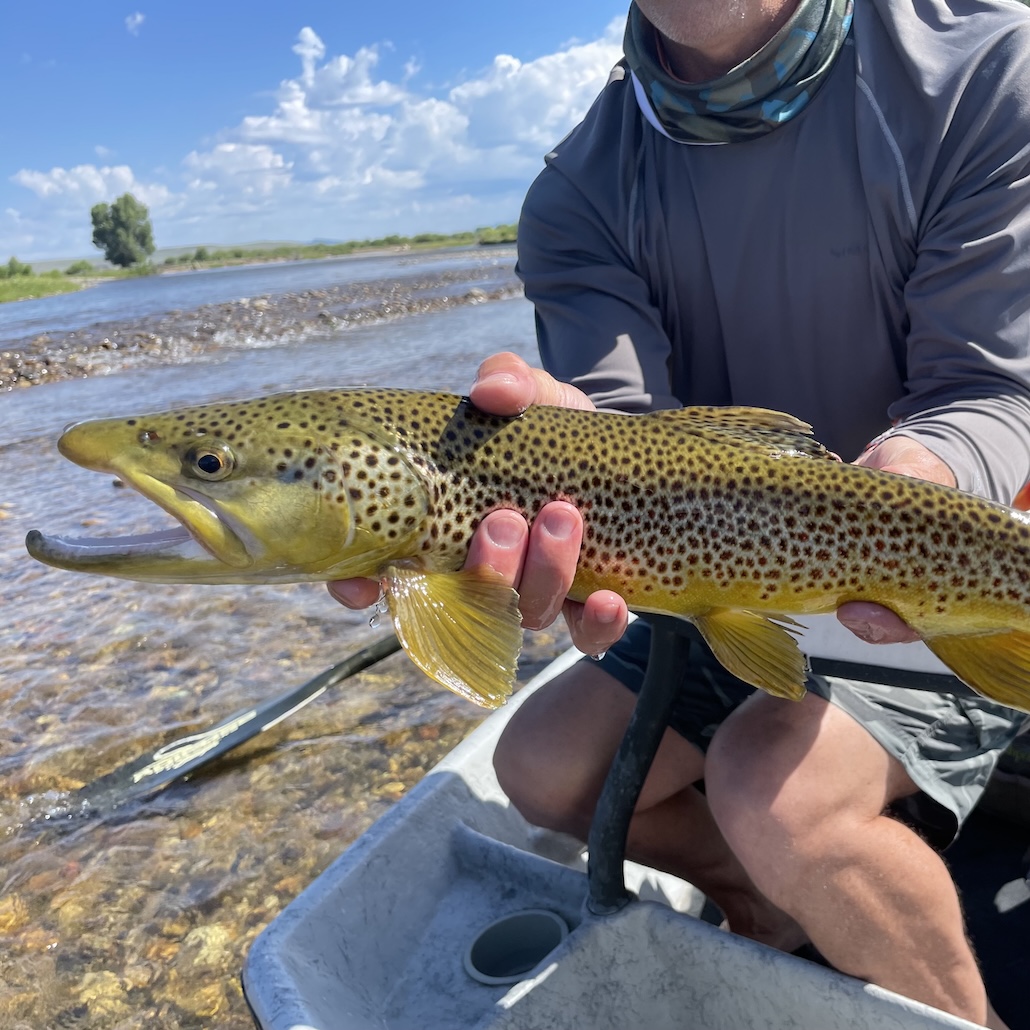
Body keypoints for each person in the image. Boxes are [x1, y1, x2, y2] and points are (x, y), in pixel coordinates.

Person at [330, 1, 1030, 1025]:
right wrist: (560, 460)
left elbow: (995, 388)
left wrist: (921, 484)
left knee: (771, 792)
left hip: (949, 560)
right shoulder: (577, 191)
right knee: (542, 768)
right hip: (713, 574)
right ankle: (765, 901)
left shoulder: (983, 61)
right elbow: (621, 433)